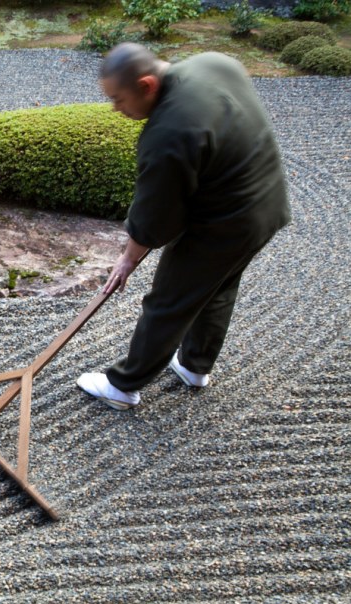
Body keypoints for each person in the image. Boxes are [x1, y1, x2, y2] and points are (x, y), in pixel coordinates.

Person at [76, 43, 291, 410]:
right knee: (218, 286)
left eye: (118, 99)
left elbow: (155, 218)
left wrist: (127, 259)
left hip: (226, 222)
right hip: (267, 205)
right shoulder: (213, 62)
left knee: (168, 299)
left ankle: (123, 386)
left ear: (146, 85)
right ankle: (194, 365)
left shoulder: (168, 132)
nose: (115, 109)